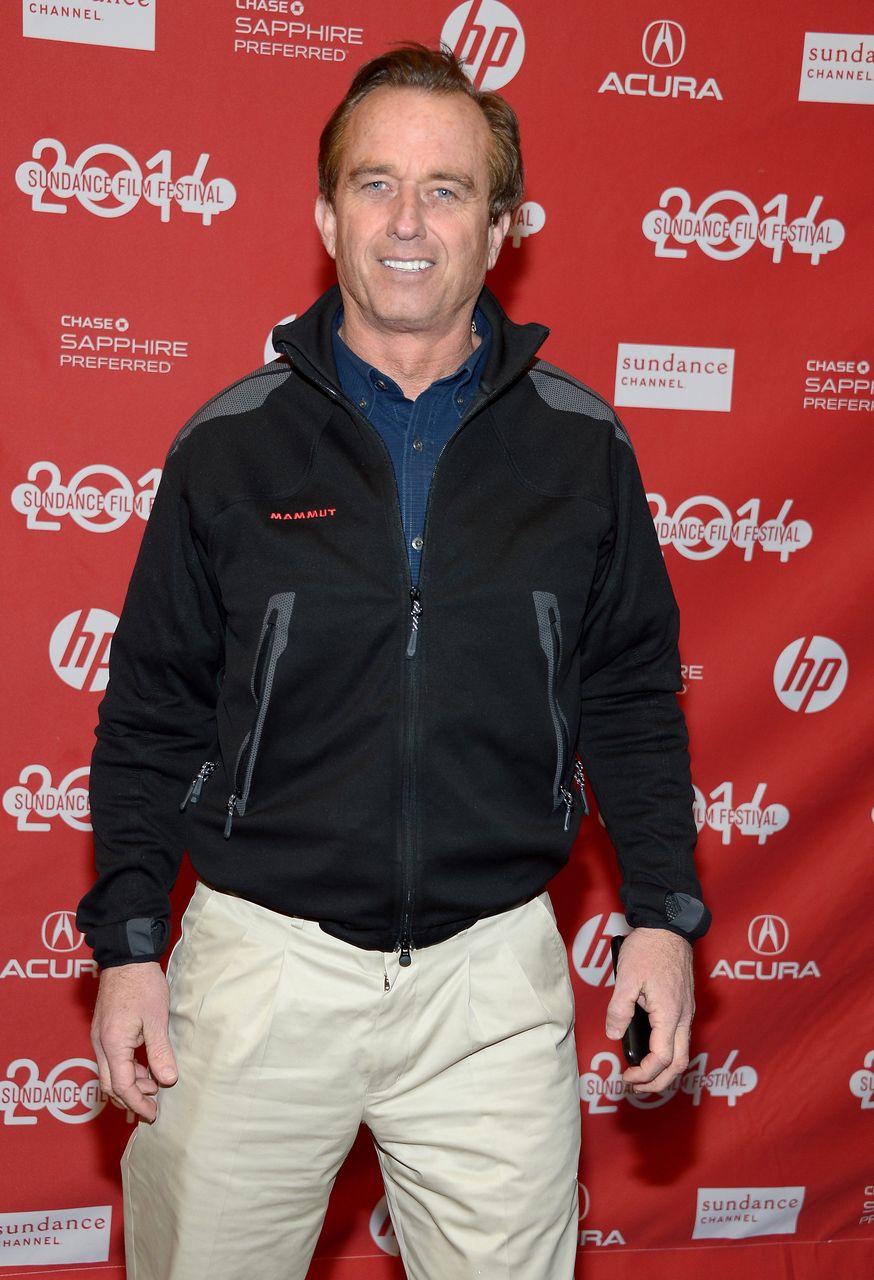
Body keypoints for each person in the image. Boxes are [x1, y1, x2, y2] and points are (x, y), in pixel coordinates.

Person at [77, 44, 710, 1280]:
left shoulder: (583, 448)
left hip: (491, 982)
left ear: (501, 226)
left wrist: (663, 915)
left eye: (447, 189)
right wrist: (130, 941)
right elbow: (152, 710)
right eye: (374, 185)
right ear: (325, 217)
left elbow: (631, 694)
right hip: (259, 968)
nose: (407, 222)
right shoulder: (229, 445)